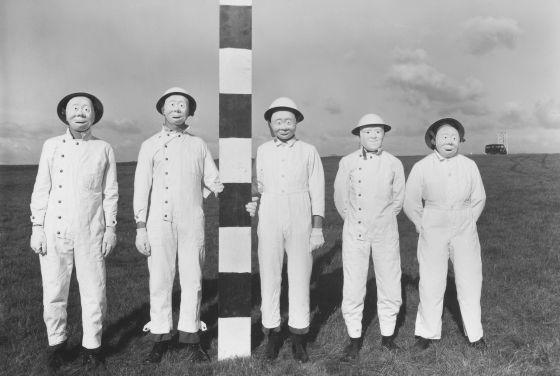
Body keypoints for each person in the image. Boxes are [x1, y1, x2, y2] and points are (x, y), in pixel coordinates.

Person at [29, 92, 118, 373]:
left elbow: (110, 193)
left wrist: (111, 229)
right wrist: (37, 228)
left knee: (94, 291)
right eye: (75, 108)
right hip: (55, 231)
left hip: (92, 232)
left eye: (86, 108)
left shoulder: (104, 148)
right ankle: (56, 345)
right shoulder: (51, 146)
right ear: (65, 113)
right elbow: (42, 188)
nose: (80, 112)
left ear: (94, 114)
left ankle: (93, 347)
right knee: (55, 291)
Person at [134, 87, 223, 364]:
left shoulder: (198, 144)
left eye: (182, 104)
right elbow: (141, 187)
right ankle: (160, 338)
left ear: (189, 111)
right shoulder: (149, 145)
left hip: (191, 222)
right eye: (171, 104)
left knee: (193, 280)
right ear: (162, 109)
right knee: (160, 281)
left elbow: (214, 180)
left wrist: (198, 199)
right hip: (157, 224)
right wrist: (140, 226)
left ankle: (191, 337)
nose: (176, 108)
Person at [245, 97, 325, 363]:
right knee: (269, 274)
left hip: (300, 211)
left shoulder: (309, 151)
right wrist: (254, 204)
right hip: (270, 214)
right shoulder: (264, 150)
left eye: (288, 120)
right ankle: (273, 334)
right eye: (278, 121)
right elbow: (258, 185)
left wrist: (317, 228)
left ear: (296, 123)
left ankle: (299, 337)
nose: (283, 125)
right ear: (270, 123)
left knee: (301, 275)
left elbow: (318, 191)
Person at [403, 118, 487, 352]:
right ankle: (427, 332)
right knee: (431, 279)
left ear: (459, 140)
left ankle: (475, 334)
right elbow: (410, 201)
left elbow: (479, 197)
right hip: (433, 225)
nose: (449, 141)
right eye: (443, 137)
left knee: (470, 279)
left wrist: (468, 220)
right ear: (433, 140)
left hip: (464, 226)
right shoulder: (422, 167)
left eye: (453, 137)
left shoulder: (469, 165)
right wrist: (422, 225)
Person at [333, 113, 405, 361]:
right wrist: (356, 222)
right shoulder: (347, 162)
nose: (373, 136)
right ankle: (354, 339)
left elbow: (398, 200)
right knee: (353, 285)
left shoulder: (394, 163)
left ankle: (387, 337)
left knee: (390, 282)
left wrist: (382, 221)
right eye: (368, 131)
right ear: (359, 135)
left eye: (377, 131)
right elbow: (341, 200)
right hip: (356, 231)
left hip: (386, 232)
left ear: (384, 133)